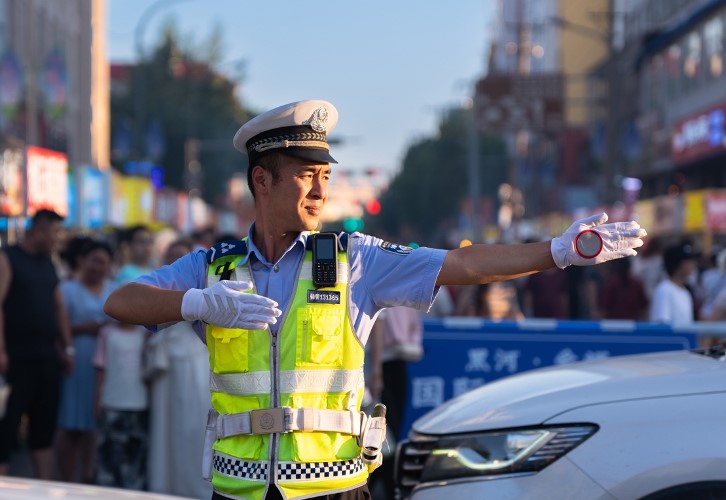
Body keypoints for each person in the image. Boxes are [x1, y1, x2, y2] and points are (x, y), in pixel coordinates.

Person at [104, 100, 646, 500]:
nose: (321, 191)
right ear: (261, 181)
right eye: (306, 176)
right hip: (238, 489)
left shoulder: (354, 259)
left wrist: (556, 252)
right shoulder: (214, 268)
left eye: (325, 176)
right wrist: (196, 304)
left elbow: (461, 264)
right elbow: (121, 302)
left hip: (333, 488)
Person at [0, 209, 75, 479]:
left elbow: (58, 308)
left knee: (43, 433)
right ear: (40, 231)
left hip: (46, 359)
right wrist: (1, 351)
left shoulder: (47, 262)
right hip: (16, 360)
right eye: (55, 232)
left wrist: (68, 347)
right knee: (5, 431)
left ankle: (45, 490)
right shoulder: (7, 258)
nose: (58, 239)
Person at [145, 239, 213, 499]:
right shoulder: (159, 289)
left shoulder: (205, 288)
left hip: (194, 365)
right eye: (172, 256)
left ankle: (193, 487)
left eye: (181, 257)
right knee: (164, 431)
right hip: (166, 370)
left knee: (193, 428)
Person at [55, 240, 117, 484]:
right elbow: (56, 327)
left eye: (103, 262)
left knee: (95, 424)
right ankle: (66, 479)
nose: (98, 267)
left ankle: (89, 477)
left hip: (105, 364)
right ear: (82, 261)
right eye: (94, 260)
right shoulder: (66, 289)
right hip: (76, 360)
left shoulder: (115, 289)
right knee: (71, 424)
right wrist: (83, 329)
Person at [368, 306, 424, 499]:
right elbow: (378, 323)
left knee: (389, 433)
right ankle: (389, 489)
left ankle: (387, 489)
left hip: (394, 364)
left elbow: (415, 325)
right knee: (382, 433)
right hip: (375, 367)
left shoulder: (406, 295)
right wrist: (376, 372)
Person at [93, 319, 149, 490]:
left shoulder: (144, 335)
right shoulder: (106, 333)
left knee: (135, 454)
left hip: (138, 403)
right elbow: (101, 368)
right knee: (109, 453)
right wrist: (97, 399)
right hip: (112, 402)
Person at [650, 242, 698, 325]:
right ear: (677, 264)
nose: (692, 265)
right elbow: (662, 323)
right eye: (688, 262)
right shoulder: (665, 289)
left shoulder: (686, 292)